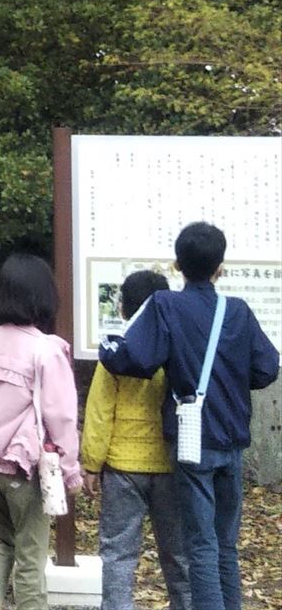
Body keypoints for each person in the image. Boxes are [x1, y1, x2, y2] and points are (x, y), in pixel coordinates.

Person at [98, 222, 279, 610]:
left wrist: (107, 346)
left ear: (178, 265)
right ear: (220, 266)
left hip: (195, 440)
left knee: (201, 544)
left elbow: (138, 358)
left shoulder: (167, 307)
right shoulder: (239, 311)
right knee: (226, 544)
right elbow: (266, 368)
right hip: (233, 440)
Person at [0, 254, 82, 610]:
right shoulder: (45, 351)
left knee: (2, 541)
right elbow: (61, 417)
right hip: (23, 467)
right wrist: (71, 471)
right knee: (32, 553)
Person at [82, 269, 190, 610]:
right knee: (179, 554)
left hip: (122, 466)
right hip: (172, 464)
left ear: (125, 308)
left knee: (117, 553)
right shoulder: (179, 350)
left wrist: (89, 463)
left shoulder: (117, 352)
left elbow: (100, 412)